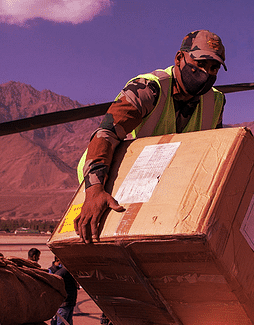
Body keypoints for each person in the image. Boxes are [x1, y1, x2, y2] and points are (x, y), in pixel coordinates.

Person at [74, 30, 228, 243]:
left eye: (214, 68)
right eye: (200, 63)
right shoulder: (148, 88)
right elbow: (106, 133)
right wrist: (94, 191)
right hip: (109, 178)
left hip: (160, 185)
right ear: (179, 58)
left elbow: (215, 153)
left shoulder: (216, 102)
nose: (206, 72)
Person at [49, 257, 79, 325]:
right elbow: (55, 281)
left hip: (70, 302)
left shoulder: (68, 271)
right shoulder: (63, 271)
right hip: (65, 303)